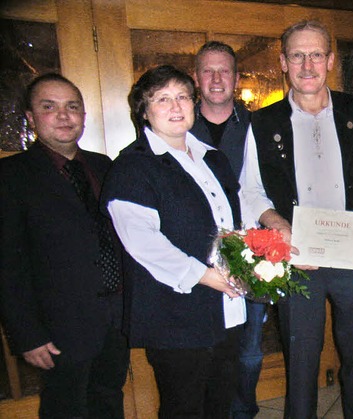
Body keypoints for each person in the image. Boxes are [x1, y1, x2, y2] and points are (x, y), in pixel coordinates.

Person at [240, 20, 353, 419]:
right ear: (282, 62)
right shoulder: (262, 122)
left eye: (315, 54)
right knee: (300, 363)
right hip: (298, 257)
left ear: (329, 60)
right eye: (297, 55)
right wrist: (279, 225)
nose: (307, 64)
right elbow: (251, 191)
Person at [101, 65, 246, 418]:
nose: (176, 106)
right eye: (162, 99)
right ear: (144, 111)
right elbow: (143, 243)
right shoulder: (133, 167)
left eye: (182, 96)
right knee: (184, 406)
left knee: (220, 399)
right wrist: (207, 276)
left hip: (226, 304)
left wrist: (249, 258)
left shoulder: (213, 157)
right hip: (175, 312)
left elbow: (229, 222)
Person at [0, 73, 129, 418]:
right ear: (30, 117)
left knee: (109, 399)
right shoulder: (11, 176)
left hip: (115, 318)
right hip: (58, 325)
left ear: (84, 116)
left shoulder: (105, 166)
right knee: (64, 407)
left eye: (72, 107)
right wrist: (26, 334)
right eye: (49, 107)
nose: (63, 116)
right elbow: (6, 264)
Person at [189, 40, 264, 419]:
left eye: (224, 71)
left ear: (236, 78)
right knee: (205, 351)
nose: (216, 78)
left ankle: (242, 413)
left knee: (249, 353)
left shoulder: (260, 127)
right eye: (208, 70)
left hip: (252, 256)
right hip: (196, 260)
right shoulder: (178, 125)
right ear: (196, 76)